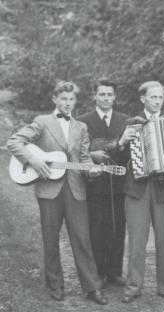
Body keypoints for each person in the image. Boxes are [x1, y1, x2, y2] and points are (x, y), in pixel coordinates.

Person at [7, 81, 108, 304]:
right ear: (55, 99)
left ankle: (92, 287)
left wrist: (92, 170)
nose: (68, 103)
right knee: (51, 239)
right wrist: (33, 160)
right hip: (49, 190)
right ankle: (55, 285)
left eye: (71, 99)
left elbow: (83, 159)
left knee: (82, 238)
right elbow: (15, 142)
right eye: (63, 99)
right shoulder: (42, 122)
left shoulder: (80, 127)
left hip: (75, 190)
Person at [117, 81, 164, 303]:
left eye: (160, 98)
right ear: (143, 99)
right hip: (138, 188)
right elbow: (120, 158)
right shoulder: (130, 123)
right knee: (137, 240)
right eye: (153, 97)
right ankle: (133, 286)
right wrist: (122, 143)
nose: (157, 101)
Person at [77, 78, 130, 287]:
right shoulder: (83, 120)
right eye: (102, 94)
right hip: (95, 185)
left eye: (109, 95)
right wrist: (91, 153)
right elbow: (77, 150)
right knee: (97, 228)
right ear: (94, 96)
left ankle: (114, 272)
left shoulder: (125, 120)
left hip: (119, 182)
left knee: (118, 227)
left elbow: (129, 153)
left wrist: (122, 146)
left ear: (114, 97)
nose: (106, 98)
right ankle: (98, 272)